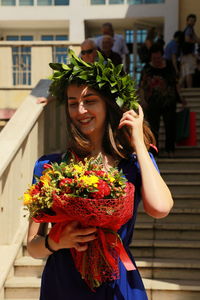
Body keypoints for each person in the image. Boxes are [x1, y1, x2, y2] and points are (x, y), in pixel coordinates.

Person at [27, 50, 173, 300]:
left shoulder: (134, 163)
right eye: (73, 103)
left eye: (90, 100)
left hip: (117, 282)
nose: (80, 110)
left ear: (109, 103)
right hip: (63, 284)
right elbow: (33, 246)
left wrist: (138, 141)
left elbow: (160, 208)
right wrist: (55, 242)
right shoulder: (48, 166)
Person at [139, 43, 183, 157]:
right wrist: (143, 100)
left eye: (159, 58)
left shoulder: (169, 66)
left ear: (162, 56)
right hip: (153, 103)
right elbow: (142, 86)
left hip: (169, 101)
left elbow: (176, 83)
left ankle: (170, 150)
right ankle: (154, 152)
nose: (157, 60)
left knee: (170, 126)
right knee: (153, 128)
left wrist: (181, 98)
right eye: (154, 58)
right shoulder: (147, 68)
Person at [37, 39, 98, 105]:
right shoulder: (76, 70)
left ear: (96, 51)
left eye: (89, 51)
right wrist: (48, 100)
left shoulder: (105, 68)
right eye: (83, 52)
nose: (86, 55)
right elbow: (64, 91)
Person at [180, 14, 200, 88]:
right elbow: (187, 39)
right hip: (188, 55)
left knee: (185, 74)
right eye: (191, 20)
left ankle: (179, 88)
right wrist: (195, 41)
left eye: (194, 21)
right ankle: (189, 90)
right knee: (189, 73)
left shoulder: (189, 29)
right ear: (187, 21)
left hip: (184, 55)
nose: (192, 22)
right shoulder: (189, 29)